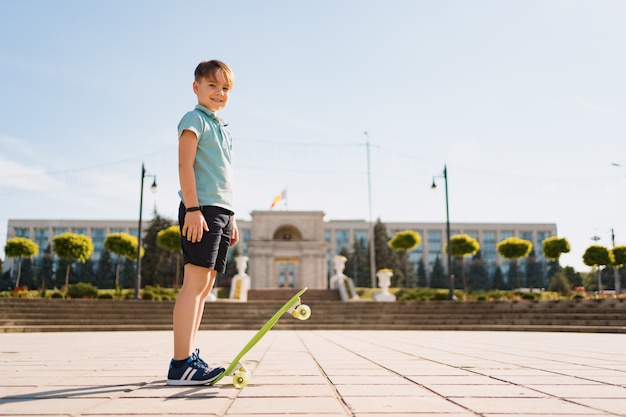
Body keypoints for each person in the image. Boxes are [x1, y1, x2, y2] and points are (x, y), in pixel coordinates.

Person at [167, 60, 239, 385]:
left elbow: (224, 177)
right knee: (194, 284)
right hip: (202, 210)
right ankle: (180, 363)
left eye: (225, 88)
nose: (219, 93)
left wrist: (232, 217)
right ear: (196, 88)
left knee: (206, 285)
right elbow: (185, 166)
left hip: (220, 212)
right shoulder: (193, 119)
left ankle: (189, 356)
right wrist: (193, 209)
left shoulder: (223, 128)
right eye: (212, 86)